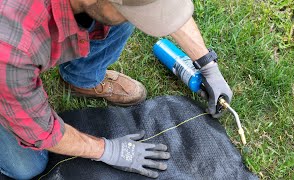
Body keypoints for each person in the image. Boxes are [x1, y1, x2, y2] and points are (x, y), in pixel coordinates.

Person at [0, 0, 232, 179]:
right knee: (27, 167)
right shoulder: (12, 46)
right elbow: (40, 131)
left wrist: (207, 65)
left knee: (120, 16)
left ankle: (82, 78)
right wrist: (107, 150)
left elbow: (158, 5)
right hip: (8, 65)